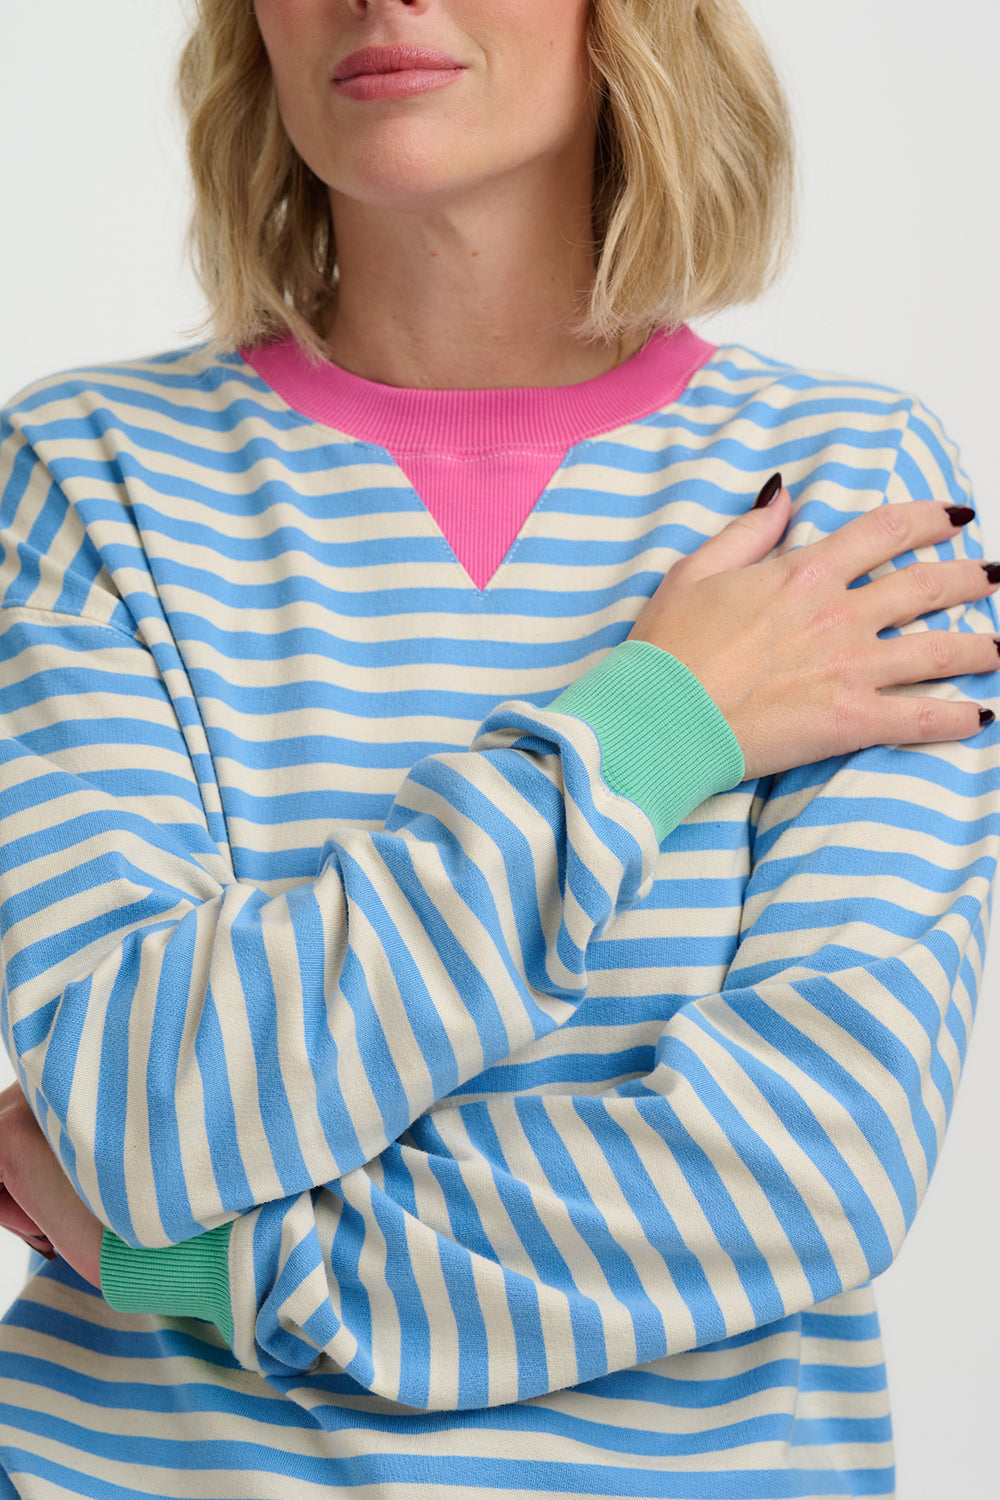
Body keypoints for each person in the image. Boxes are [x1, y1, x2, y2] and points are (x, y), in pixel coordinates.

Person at [0, 0, 997, 1495]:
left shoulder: (848, 500)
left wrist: (218, 1267)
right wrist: (658, 726)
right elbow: (141, 1111)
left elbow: (803, 1173)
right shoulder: (87, 480)